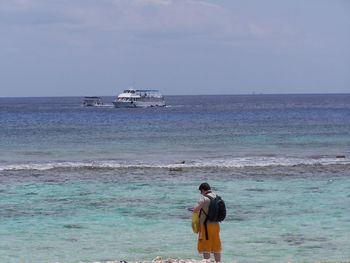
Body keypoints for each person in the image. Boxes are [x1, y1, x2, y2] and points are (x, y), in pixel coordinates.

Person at [193, 182, 221, 263]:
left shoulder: (204, 198)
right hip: (216, 225)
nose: (200, 193)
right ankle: (218, 261)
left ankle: (207, 261)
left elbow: (195, 209)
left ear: (203, 190)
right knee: (216, 245)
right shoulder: (217, 197)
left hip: (206, 226)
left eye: (200, 191)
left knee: (206, 246)